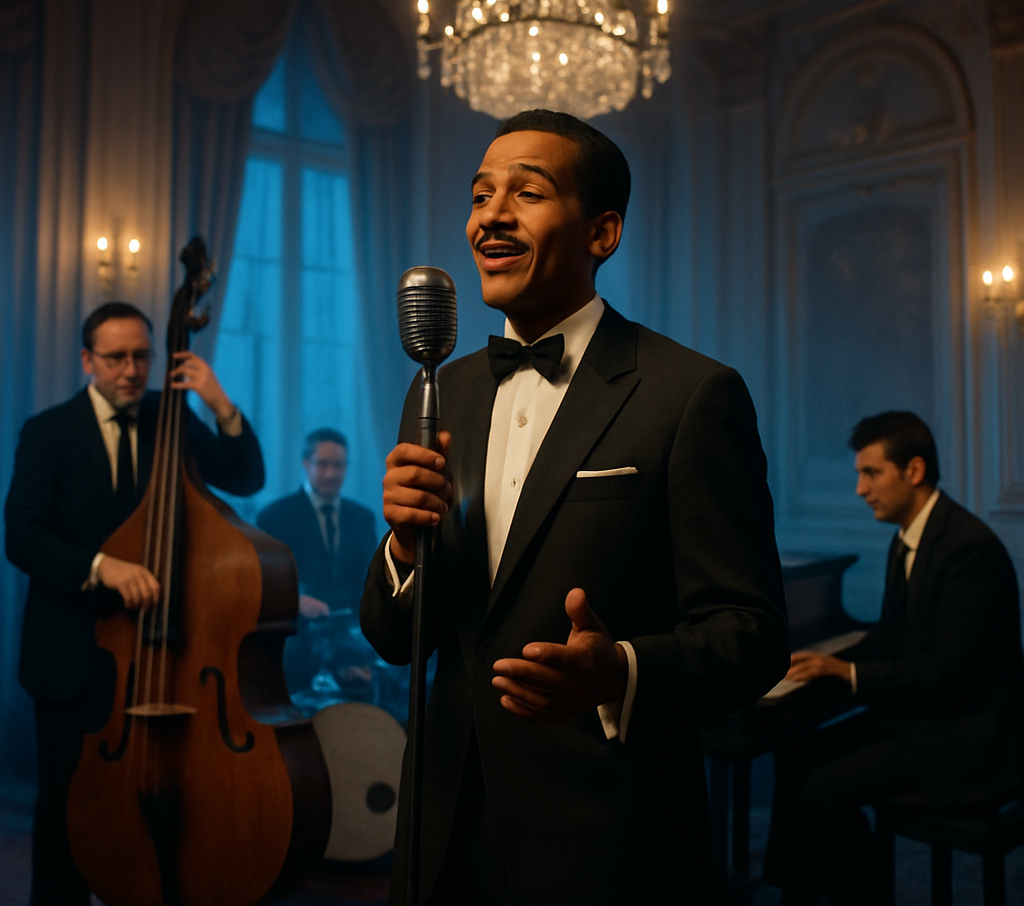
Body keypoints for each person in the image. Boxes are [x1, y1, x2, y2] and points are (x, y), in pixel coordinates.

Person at [359, 109, 789, 905]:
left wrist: (618, 670)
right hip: (441, 824)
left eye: (526, 192)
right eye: (481, 194)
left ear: (603, 232)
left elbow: (753, 635)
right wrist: (403, 550)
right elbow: (393, 638)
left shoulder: (691, 394)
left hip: (606, 835)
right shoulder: (440, 390)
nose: (490, 214)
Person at [4, 301, 265, 906]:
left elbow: (246, 477)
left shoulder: (170, 417)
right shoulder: (47, 431)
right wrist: (103, 567)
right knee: (69, 808)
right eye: (117, 357)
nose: (130, 370)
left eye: (141, 357)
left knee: (162, 805)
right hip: (70, 657)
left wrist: (218, 403)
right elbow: (21, 534)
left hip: (161, 653)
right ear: (87, 360)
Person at [763, 411, 1024, 905]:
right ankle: (795, 893)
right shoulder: (909, 535)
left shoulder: (967, 549)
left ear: (915, 471)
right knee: (795, 752)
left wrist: (846, 670)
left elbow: (948, 673)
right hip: (927, 718)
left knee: (821, 790)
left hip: (966, 738)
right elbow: (892, 637)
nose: (861, 489)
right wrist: (827, 655)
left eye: (871, 473)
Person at [256, 428, 378, 690]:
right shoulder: (274, 517)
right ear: (306, 463)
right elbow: (257, 582)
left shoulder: (362, 518)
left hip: (352, 644)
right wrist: (295, 600)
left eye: (338, 465)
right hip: (296, 647)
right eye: (322, 464)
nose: (331, 474)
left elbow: (372, 581)